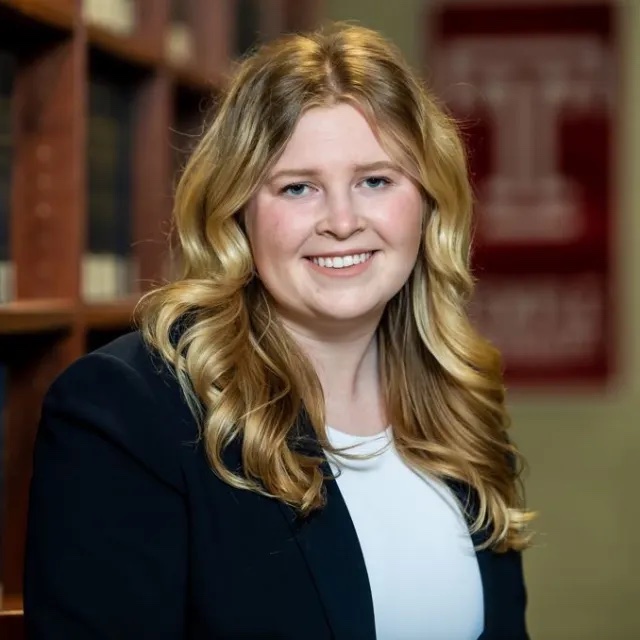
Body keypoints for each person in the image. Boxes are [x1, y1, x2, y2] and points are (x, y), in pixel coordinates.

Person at [24, 22, 534, 640]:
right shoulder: (127, 413)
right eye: (299, 188)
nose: (342, 222)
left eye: (376, 180)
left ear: (428, 201)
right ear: (237, 211)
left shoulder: (461, 403)